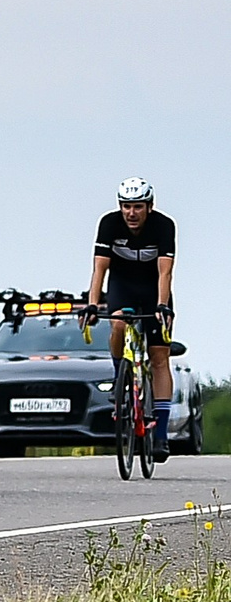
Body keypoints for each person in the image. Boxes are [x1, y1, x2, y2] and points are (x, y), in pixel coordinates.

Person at [89, 177, 177, 460]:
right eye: (126, 206)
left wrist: (163, 306)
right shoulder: (109, 224)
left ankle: (160, 434)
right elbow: (99, 269)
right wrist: (92, 304)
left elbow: (165, 272)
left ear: (149, 207)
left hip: (153, 289)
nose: (131, 213)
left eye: (137, 207)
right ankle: (120, 376)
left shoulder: (163, 226)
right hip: (122, 287)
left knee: (160, 357)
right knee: (116, 324)